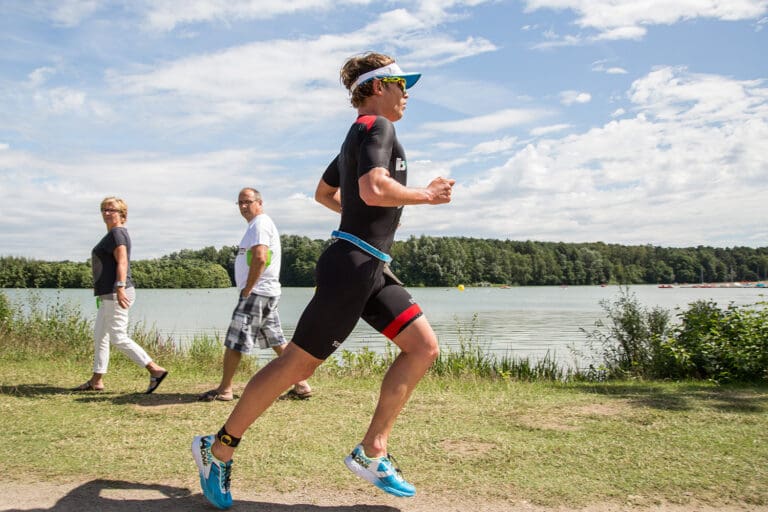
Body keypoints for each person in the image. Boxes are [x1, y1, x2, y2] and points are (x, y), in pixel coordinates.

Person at [192, 52, 455, 509]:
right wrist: (425, 196)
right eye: (399, 83)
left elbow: (325, 193)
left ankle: (373, 450)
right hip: (351, 267)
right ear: (376, 88)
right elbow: (373, 188)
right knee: (297, 364)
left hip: (370, 266)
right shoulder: (376, 128)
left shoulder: (354, 136)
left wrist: (363, 217)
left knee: (423, 347)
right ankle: (217, 450)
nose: (407, 93)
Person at [198, 188, 311, 402]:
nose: (243, 206)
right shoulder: (256, 225)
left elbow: (260, 257)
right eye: (239, 202)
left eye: (247, 202)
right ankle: (301, 384)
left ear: (259, 202)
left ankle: (225, 389)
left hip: (257, 293)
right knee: (276, 340)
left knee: (235, 341)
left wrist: (248, 289)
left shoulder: (260, 224)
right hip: (264, 292)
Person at [74, 197, 168, 394]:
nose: (106, 213)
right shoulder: (113, 234)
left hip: (117, 292)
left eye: (112, 210)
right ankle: (96, 380)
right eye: (104, 209)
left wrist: (119, 286)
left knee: (118, 337)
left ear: (122, 215)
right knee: (101, 335)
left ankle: (154, 369)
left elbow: (122, 261)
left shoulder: (117, 233)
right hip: (109, 294)